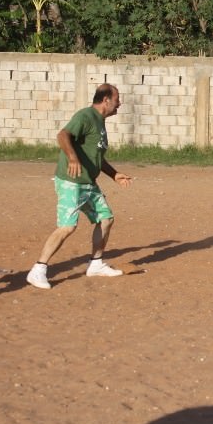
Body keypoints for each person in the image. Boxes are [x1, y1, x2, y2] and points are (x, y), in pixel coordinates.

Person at [26, 84, 133, 289]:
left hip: (88, 184)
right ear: (105, 100)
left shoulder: (100, 123)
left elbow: (96, 157)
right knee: (67, 226)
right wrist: (72, 158)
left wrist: (114, 175)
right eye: (117, 99)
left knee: (106, 219)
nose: (120, 103)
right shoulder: (85, 116)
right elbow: (63, 135)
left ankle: (96, 264)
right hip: (71, 182)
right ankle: (38, 269)